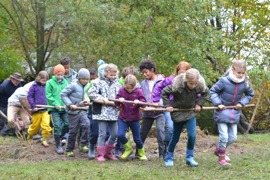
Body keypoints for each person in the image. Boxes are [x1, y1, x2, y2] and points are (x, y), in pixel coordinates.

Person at [210, 60, 254, 166]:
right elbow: (213, 91)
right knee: (224, 137)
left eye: (243, 73)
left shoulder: (245, 83)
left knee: (233, 137)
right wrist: (218, 103)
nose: (241, 75)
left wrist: (241, 103)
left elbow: (250, 94)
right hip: (222, 111)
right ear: (233, 70)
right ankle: (221, 159)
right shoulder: (224, 80)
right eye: (239, 73)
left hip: (234, 112)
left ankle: (219, 150)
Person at [162, 68, 208, 167]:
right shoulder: (177, 86)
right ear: (186, 81)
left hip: (191, 112)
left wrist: (199, 104)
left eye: (195, 84)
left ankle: (189, 157)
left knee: (192, 135)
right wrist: (167, 105)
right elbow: (164, 92)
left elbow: (205, 93)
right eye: (191, 84)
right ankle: (169, 157)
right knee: (175, 137)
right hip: (178, 112)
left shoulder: (199, 85)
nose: (193, 86)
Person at [152, 61, 191, 152]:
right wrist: (156, 100)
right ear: (177, 71)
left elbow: (197, 93)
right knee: (170, 127)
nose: (182, 75)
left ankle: (169, 149)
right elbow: (158, 86)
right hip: (170, 107)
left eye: (184, 73)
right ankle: (166, 148)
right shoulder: (171, 80)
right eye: (180, 72)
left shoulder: (190, 82)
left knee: (176, 130)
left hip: (182, 108)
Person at [88, 63, 121, 162]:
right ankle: (100, 154)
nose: (113, 77)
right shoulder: (97, 82)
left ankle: (108, 152)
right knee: (102, 133)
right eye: (111, 75)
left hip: (113, 112)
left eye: (114, 75)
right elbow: (91, 94)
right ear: (106, 73)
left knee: (115, 133)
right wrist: (102, 100)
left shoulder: (118, 83)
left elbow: (120, 95)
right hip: (101, 112)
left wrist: (119, 101)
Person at [115, 74, 147, 160]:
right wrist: (119, 100)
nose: (129, 90)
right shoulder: (121, 90)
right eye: (127, 88)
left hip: (134, 118)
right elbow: (116, 102)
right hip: (123, 117)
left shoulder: (138, 91)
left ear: (134, 86)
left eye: (131, 88)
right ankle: (128, 149)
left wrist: (139, 102)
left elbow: (144, 103)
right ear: (124, 85)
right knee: (120, 135)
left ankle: (141, 153)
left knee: (137, 138)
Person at [61, 68, 91, 157]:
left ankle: (83, 144)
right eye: (83, 79)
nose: (85, 81)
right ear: (79, 78)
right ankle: (69, 149)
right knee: (73, 131)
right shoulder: (73, 85)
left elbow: (88, 95)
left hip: (82, 110)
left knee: (86, 124)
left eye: (87, 79)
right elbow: (63, 94)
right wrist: (70, 104)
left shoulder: (88, 86)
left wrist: (87, 101)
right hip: (73, 112)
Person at [46, 64, 69, 154]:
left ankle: (60, 137)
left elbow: (67, 93)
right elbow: (48, 95)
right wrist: (56, 104)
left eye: (61, 75)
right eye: (58, 74)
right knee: (57, 125)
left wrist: (67, 103)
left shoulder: (65, 82)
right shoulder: (50, 83)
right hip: (54, 109)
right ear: (54, 74)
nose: (60, 76)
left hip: (64, 108)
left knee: (67, 124)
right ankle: (58, 145)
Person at [27, 71, 52, 147]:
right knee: (35, 126)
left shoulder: (47, 86)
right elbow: (29, 96)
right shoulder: (33, 86)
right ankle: (30, 136)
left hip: (46, 109)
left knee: (46, 125)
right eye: (43, 80)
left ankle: (44, 139)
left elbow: (50, 95)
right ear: (39, 78)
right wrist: (33, 106)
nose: (44, 82)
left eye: (46, 80)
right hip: (37, 110)